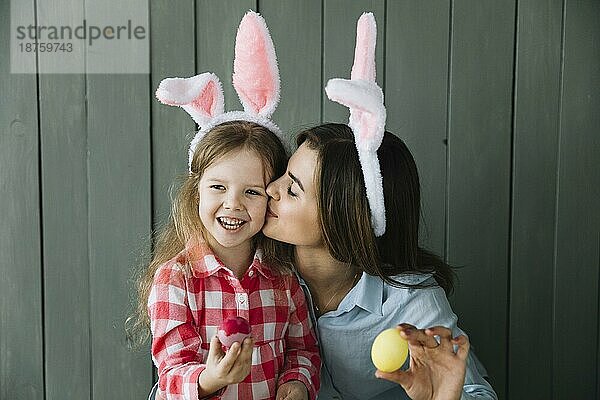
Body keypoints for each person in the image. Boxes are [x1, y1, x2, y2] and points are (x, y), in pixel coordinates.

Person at [261, 13, 497, 400]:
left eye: (293, 189)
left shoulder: (412, 303)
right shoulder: (257, 279)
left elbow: (476, 394)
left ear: (344, 217)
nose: (270, 188)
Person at [134, 11, 321, 400]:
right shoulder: (176, 280)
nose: (232, 204)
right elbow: (171, 374)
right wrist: (209, 379)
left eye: (251, 192)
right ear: (196, 191)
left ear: (271, 195)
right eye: (218, 186)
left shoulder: (283, 279)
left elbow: (304, 351)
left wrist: (296, 384)